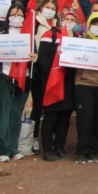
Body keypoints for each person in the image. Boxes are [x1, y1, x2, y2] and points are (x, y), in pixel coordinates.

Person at [0, 2, 39, 162]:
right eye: (13, 14)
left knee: (16, 114)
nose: (17, 18)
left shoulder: (28, 33)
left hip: (23, 78)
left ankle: (13, 148)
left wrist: (35, 58)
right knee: (2, 114)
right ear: (7, 16)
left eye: (20, 15)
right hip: (2, 76)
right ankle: (2, 149)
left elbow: (34, 55)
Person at [72, 13, 98, 163]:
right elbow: (71, 58)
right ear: (89, 25)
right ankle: (81, 151)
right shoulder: (80, 41)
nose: (97, 27)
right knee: (85, 119)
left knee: (97, 120)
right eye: (94, 24)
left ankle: (92, 150)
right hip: (83, 84)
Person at [40, 9, 79, 161]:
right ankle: (48, 149)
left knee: (65, 117)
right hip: (53, 81)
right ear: (60, 19)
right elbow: (43, 59)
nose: (68, 22)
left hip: (70, 83)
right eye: (66, 19)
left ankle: (59, 147)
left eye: (72, 20)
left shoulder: (78, 37)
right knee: (50, 117)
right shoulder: (50, 34)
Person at [28, 0, 59, 154]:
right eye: (47, 7)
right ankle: (34, 139)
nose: (50, 10)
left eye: (53, 9)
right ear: (41, 7)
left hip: (54, 72)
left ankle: (50, 138)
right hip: (39, 71)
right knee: (38, 107)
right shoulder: (34, 23)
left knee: (52, 107)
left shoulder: (57, 26)